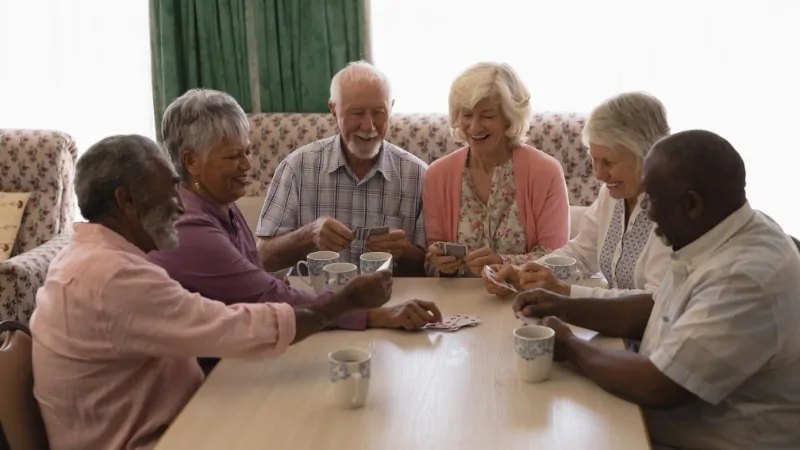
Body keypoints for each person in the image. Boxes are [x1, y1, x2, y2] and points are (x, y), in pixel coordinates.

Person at [30, 135, 393, 450]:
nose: (179, 205)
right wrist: (347, 300)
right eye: (167, 191)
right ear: (126, 201)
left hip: (173, 419)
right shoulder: (114, 278)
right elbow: (237, 327)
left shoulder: (89, 256)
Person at [515, 130, 800, 449]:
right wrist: (560, 305)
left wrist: (570, 346)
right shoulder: (718, 231)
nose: (646, 211)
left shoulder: (745, 277)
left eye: (651, 198)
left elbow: (662, 384)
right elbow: (655, 309)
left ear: (691, 204)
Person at [147, 89, 441, 357]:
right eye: (234, 156)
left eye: (248, 151)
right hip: (202, 373)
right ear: (191, 161)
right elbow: (268, 298)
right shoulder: (190, 227)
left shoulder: (220, 203)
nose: (248, 165)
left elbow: (258, 279)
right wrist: (371, 312)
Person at [484, 92, 672, 297]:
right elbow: (581, 254)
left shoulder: (673, 209)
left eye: (609, 162)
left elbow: (655, 301)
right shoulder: (613, 194)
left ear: (647, 154)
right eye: (594, 159)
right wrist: (524, 273)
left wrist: (566, 292)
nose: (598, 174)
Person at [256, 61, 428, 276]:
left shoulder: (418, 175)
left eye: (378, 112)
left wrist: (405, 252)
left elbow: (432, 269)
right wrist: (308, 236)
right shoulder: (296, 168)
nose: (369, 126)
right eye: (357, 113)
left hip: (389, 295)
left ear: (391, 108)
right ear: (333, 111)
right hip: (315, 296)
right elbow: (262, 259)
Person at [423, 62, 570, 277]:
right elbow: (429, 261)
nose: (474, 127)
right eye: (467, 115)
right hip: (455, 296)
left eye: (488, 116)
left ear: (509, 118)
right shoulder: (437, 176)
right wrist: (439, 263)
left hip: (525, 293)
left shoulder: (546, 172)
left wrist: (504, 263)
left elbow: (557, 260)